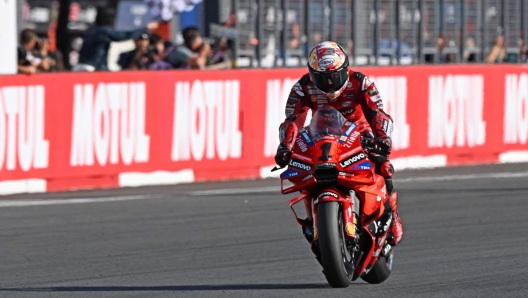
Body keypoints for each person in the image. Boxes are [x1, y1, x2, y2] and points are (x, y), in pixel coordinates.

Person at [274, 41, 403, 247]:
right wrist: (286, 146)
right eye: (323, 78)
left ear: (345, 68)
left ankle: (392, 213)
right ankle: (312, 219)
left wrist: (382, 138)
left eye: (335, 76)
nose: (331, 84)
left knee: (382, 163)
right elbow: (293, 120)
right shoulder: (302, 87)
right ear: (312, 73)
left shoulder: (361, 82)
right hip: (323, 134)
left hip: (359, 132)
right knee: (301, 168)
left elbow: (376, 112)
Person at [75, 7, 158, 71]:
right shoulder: (103, 31)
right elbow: (125, 36)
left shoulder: (90, 29)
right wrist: (146, 27)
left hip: (81, 65)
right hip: (91, 68)